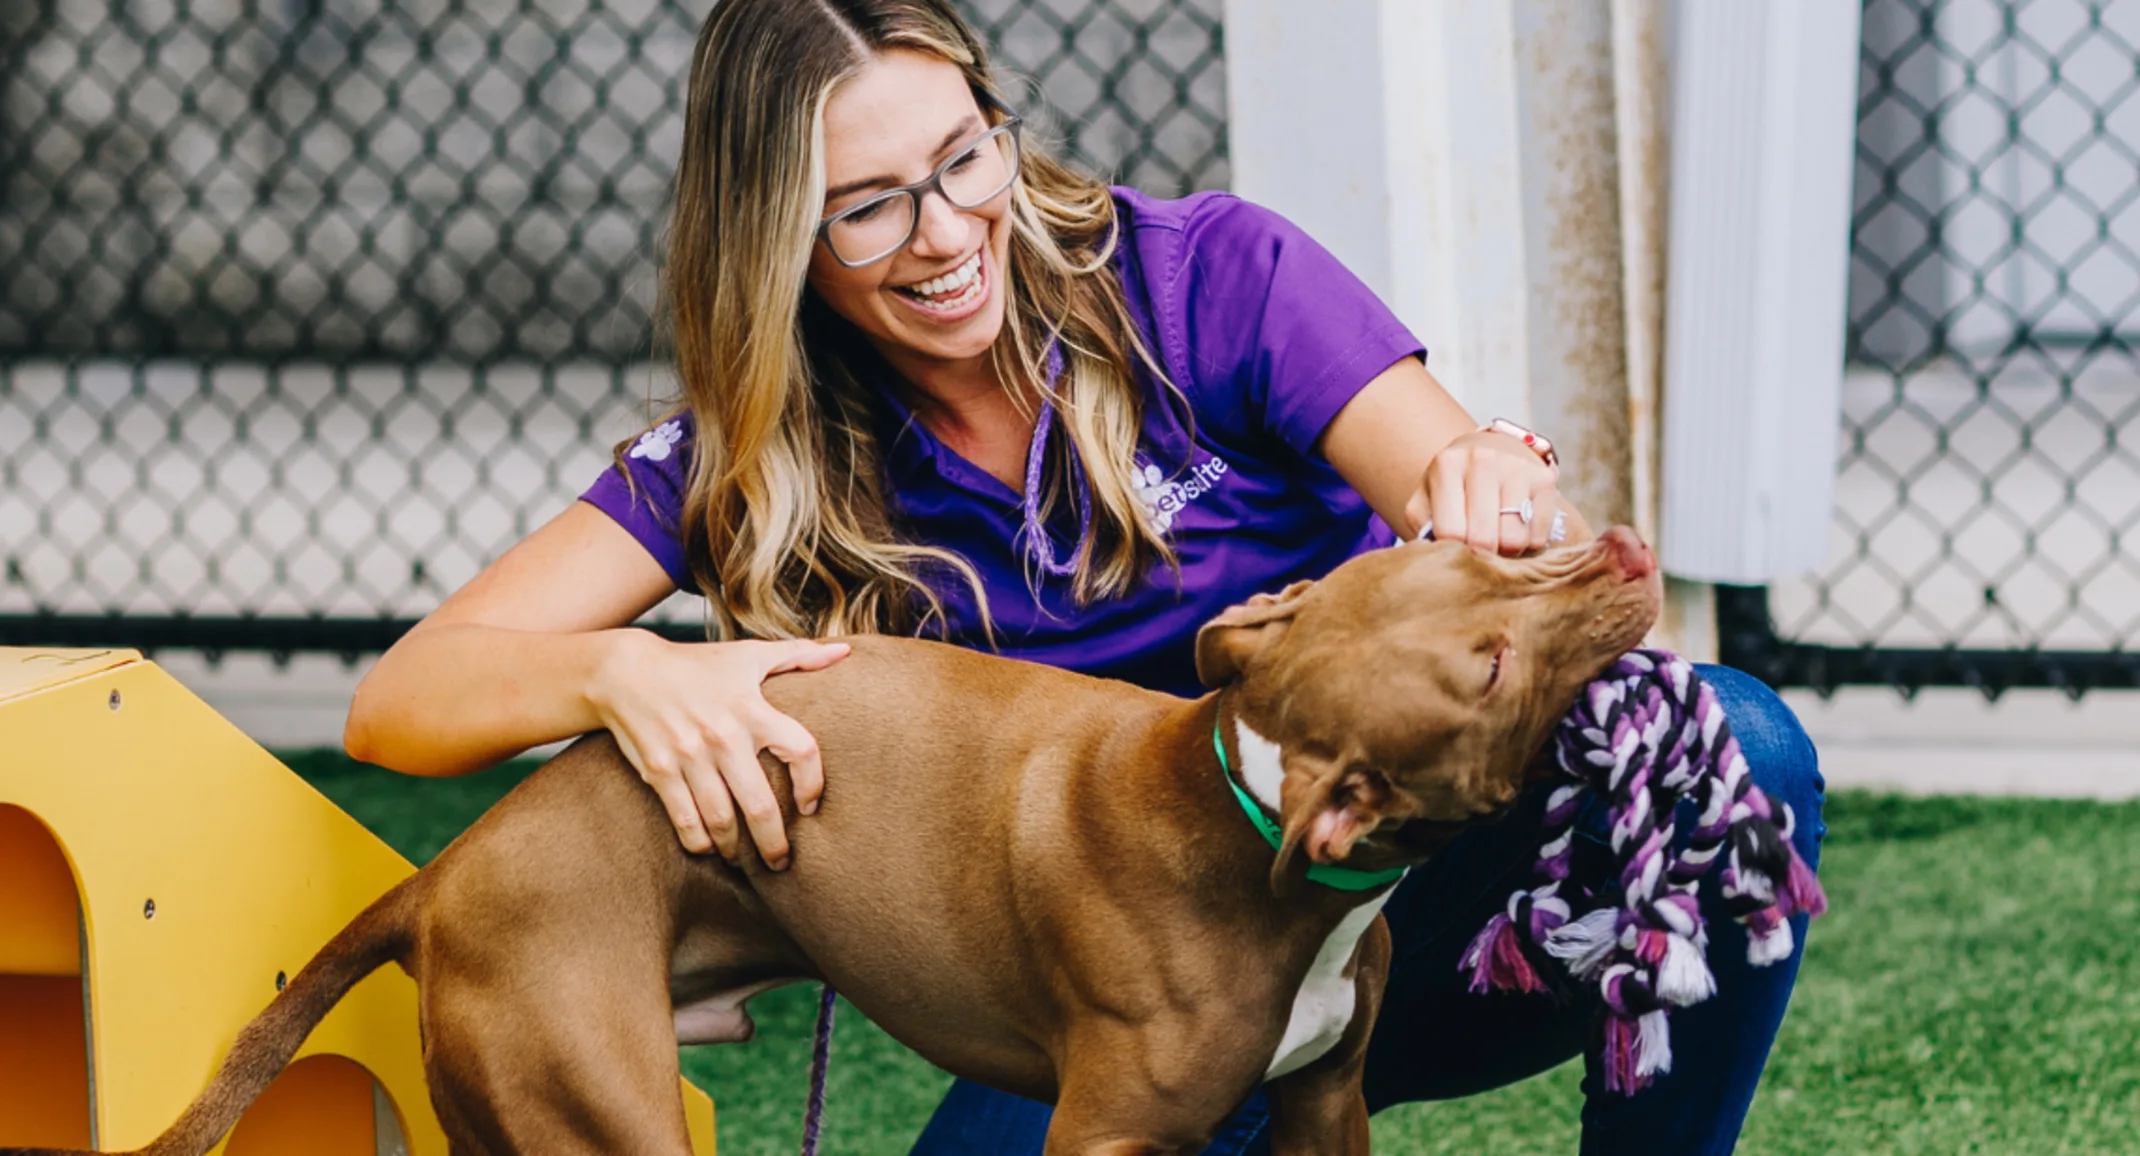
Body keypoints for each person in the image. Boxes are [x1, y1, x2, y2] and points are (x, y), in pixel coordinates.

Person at [344, 1, 1824, 1152]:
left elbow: (1441, 480)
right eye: (866, 205)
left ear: (1000, 127)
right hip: (1105, 1003)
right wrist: (626, 666)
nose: (944, 234)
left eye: (962, 157)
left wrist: (1484, 479)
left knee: (1736, 750)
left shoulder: (1207, 275)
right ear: (774, 234)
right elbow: (403, 700)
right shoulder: (748, 454)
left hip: (1384, 909)